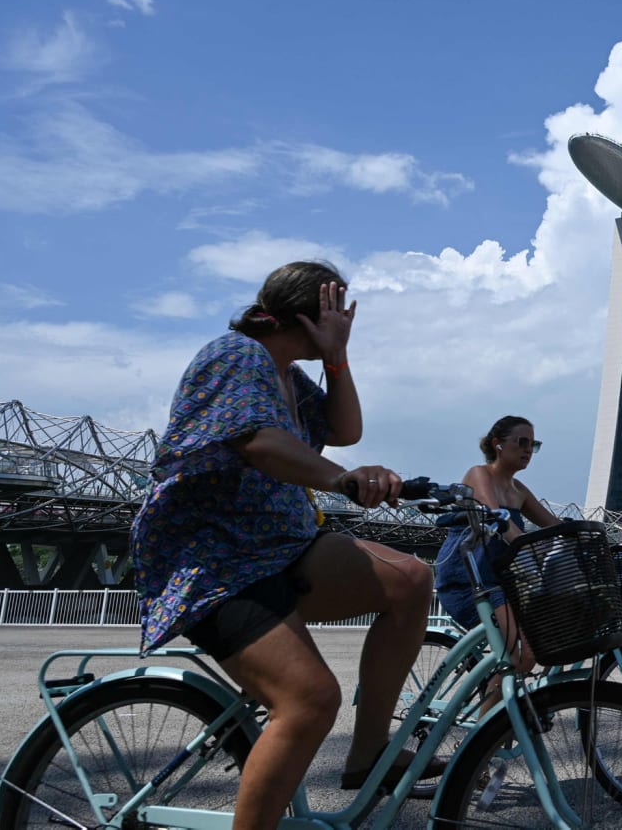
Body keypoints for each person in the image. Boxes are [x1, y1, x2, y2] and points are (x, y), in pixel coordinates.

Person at [130, 260, 440, 830]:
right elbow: (258, 441)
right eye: (335, 311)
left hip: (284, 544)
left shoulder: (290, 377)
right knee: (309, 700)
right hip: (218, 562)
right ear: (308, 312)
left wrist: (336, 358)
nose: (344, 320)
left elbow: (345, 430)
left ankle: (369, 750)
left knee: (412, 579)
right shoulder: (236, 355)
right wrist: (341, 478)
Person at [434, 415, 561, 699]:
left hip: (501, 584)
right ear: (498, 444)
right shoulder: (479, 475)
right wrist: (533, 548)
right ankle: (483, 731)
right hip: (471, 582)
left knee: (530, 654)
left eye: (534, 444)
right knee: (518, 656)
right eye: (522, 442)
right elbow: (502, 523)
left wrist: (588, 535)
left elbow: (553, 525)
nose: (528, 450)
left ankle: (496, 726)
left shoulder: (518, 490)